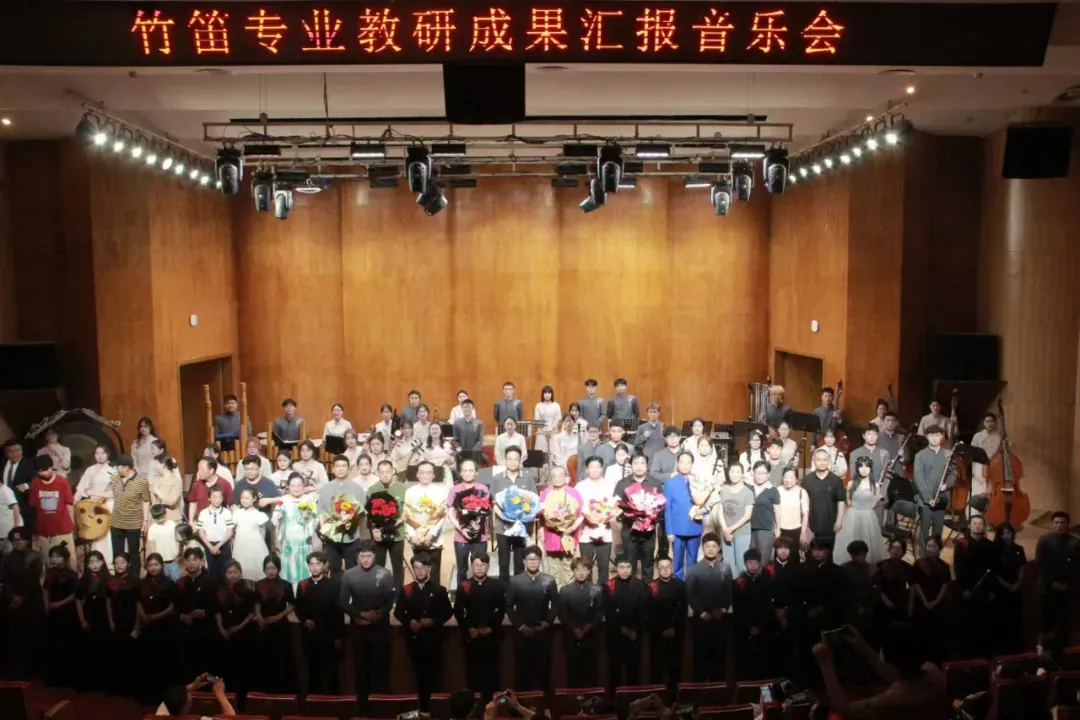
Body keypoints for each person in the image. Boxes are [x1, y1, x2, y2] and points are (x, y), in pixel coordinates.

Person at [813, 623, 950, 720]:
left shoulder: (892, 701)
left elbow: (844, 711)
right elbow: (898, 674)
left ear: (886, 655)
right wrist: (863, 649)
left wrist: (825, 663)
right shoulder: (933, 671)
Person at [339, 539, 397, 710]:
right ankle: (362, 708)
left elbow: (390, 601)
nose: (365, 559)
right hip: (358, 629)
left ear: (375, 556)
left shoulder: (385, 574)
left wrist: (377, 615)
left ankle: (381, 707)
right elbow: (343, 602)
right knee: (361, 670)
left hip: (380, 629)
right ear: (357, 556)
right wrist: (361, 615)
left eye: (369, 556)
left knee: (381, 669)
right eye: (362, 556)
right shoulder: (349, 575)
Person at [394, 552, 453, 711]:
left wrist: (433, 621)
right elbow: (398, 612)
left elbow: (447, 612)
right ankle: (419, 709)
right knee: (416, 677)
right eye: (416, 568)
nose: (419, 571)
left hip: (433, 640)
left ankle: (434, 710)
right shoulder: (407, 589)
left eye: (423, 568)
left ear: (429, 568)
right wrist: (409, 621)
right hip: (414, 640)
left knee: (434, 676)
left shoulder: (439, 590)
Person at [506, 545, 559, 691]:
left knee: (544, 672)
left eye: (536, 559)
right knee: (522, 673)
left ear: (540, 561)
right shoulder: (515, 581)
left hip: (543, 631)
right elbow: (508, 606)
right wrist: (521, 626)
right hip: (522, 633)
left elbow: (556, 603)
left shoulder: (548, 580)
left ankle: (545, 702)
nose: (533, 562)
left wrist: (547, 622)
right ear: (524, 561)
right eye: (529, 559)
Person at [453, 553, 506, 700]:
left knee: (492, 673)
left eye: (483, 565)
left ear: (488, 566)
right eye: (477, 565)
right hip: (472, 638)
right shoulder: (464, 586)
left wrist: (491, 628)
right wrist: (469, 629)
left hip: (492, 636)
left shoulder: (497, 585)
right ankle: (473, 706)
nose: (480, 568)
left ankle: (493, 706)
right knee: (473, 674)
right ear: (471, 566)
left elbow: (501, 610)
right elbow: (458, 611)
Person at [295, 551, 344, 695]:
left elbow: (338, 612)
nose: (315, 567)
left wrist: (339, 637)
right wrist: (304, 620)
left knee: (331, 672)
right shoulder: (302, 585)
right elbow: (298, 608)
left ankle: (334, 701)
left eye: (318, 564)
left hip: (328, 635)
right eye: (311, 564)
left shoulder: (334, 585)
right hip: (309, 636)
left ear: (325, 565)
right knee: (312, 671)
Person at [138, 553, 184, 704]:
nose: (153, 568)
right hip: (147, 629)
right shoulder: (142, 583)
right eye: (150, 565)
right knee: (149, 662)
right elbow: (137, 602)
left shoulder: (169, 584)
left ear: (162, 566)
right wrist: (143, 616)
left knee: (164, 661)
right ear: (146, 567)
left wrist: (154, 617)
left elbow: (172, 607)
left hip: (165, 628)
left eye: (156, 565)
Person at [686, 533, 733, 682]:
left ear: (718, 548)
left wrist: (723, 609)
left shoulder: (725, 568)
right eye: (707, 546)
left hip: (720, 620)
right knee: (699, 660)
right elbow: (690, 594)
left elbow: (729, 591)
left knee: (719, 660)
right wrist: (701, 613)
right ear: (703, 548)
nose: (711, 549)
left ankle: (718, 691)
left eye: (714, 546)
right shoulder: (694, 569)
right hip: (701, 621)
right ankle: (698, 692)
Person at [1035, 510, 1079, 662]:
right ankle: (1045, 655)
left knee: (1064, 623)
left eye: (1062, 522)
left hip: (1067, 589)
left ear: (1068, 524)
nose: (1059, 525)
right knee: (1046, 622)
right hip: (1047, 589)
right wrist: (1052, 583)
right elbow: (1040, 564)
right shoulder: (1044, 540)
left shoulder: (1075, 542)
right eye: (1056, 523)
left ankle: (1062, 654)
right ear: (1052, 524)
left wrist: (1067, 584)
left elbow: (1077, 568)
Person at [491, 446, 538, 579]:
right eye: (509, 459)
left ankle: (519, 589)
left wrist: (526, 520)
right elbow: (493, 503)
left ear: (520, 460)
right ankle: (504, 591)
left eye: (515, 459)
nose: (512, 462)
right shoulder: (496, 478)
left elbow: (533, 501)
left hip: (521, 528)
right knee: (503, 563)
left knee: (519, 563)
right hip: (502, 527)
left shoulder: (528, 477)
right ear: (505, 460)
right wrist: (504, 516)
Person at [615, 453, 663, 580]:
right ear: (631, 465)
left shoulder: (655, 483)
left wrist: (650, 514)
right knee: (630, 563)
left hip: (649, 530)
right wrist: (631, 512)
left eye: (642, 463)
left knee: (648, 563)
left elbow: (661, 506)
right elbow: (616, 505)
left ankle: (647, 589)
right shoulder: (622, 484)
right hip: (629, 529)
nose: (639, 466)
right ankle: (631, 589)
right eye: (635, 463)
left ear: (647, 466)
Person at [604, 554, 649, 689]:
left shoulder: (640, 585)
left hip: (635, 634)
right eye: (621, 567)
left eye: (628, 567)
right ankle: (614, 698)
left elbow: (644, 609)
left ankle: (633, 698)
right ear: (616, 568)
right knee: (615, 670)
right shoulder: (609, 585)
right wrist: (622, 629)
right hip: (615, 634)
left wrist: (634, 630)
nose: (625, 570)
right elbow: (608, 611)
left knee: (633, 671)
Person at [317, 454, 367, 574]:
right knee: (334, 569)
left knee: (352, 570)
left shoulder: (357, 488)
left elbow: (361, 513)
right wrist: (323, 530)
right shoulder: (326, 488)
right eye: (338, 466)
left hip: (351, 536)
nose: (341, 469)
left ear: (349, 469)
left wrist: (350, 520)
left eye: (344, 466)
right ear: (333, 469)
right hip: (331, 537)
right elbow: (321, 511)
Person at [559, 557, 604, 688]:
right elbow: (562, 612)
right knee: (573, 673)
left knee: (591, 673)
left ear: (589, 571)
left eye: (584, 569)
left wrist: (588, 626)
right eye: (577, 569)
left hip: (591, 636)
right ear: (573, 571)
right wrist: (574, 628)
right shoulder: (565, 590)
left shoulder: (597, 589)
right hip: (571, 637)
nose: (581, 573)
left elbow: (600, 610)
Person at [214, 560, 257, 696]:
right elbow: (217, 612)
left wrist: (239, 627)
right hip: (225, 634)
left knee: (243, 667)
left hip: (244, 633)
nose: (232, 575)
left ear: (240, 573)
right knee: (227, 666)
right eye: (229, 572)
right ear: (225, 575)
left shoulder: (248, 592)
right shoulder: (220, 592)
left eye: (235, 572)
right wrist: (222, 629)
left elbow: (252, 613)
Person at [833, 457, 887, 565]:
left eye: (867, 466)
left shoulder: (875, 485)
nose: (864, 469)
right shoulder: (851, 483)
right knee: (850, 538)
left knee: (867, 539)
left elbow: (875, 502)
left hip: (868, 516)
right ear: (857, 468)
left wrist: (866, 507)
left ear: (870, 468)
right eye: (861, 466)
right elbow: (848, 500)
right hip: (852, 515)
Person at [647, 555, 687, 698]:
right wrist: (660, 631)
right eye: (662, 567)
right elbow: (648, 612)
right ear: (657, 569)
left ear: (672, 568)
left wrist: (674, 629)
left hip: (675, 634)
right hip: (657, 635)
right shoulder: (650, 586)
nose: (665, 570)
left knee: (675, 670)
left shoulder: (681, 586)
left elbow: (683, 611)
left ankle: (675, 701)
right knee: (655, 671)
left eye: (668, 567)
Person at [176, 547, 220, 677]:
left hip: (206, 630)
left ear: (201, 561)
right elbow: (175, 606)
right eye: (188, 560)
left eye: (194, 560)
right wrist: (181, 616)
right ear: (184, 562)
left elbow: (217, 606)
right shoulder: (180, 583)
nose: (191, 563)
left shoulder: (210, 581)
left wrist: (204, 612)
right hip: (186, 631)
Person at [576, 456, 620, 583]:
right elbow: (577, 507)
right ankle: (587, 591)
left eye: (597, 467)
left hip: (604, 530)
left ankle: (603, 592)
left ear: (602, 468)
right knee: (586, 565)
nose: (594, 470)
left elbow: (614, 505)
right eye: (591, 467)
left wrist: (608, 514)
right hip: (586, 531)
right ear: (586, 469)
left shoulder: (610, 485)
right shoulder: (580, 486)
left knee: (603, 566)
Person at [447, 458, 490, 586]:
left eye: (471, 470)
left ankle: (480, 594)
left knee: (480, 569)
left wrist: (481, 528)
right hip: (461, 537)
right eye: (465, 470)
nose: (468, 473)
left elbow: (486, 512)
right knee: (462, 570)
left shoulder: (483, 489)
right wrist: (462, 529)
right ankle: (462, 595)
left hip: (480, 537)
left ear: (476, 472)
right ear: (460, 473)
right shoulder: (455, 490)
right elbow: (450, 514)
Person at [913, 425, 956, 551]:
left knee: (938, 532)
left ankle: (936, 558)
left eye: (937, 435)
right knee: (924, 530)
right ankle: (923, 558)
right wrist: (927, 498)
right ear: (927, 437)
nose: (935, 438)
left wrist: (946, 485)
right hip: (925, 500)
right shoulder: (920, 455)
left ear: (942, 437)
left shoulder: (948, 454)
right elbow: (919, 478)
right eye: (931, 435)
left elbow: (953, 474)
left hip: (941, 498)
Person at [734, 548, 775, 680]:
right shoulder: (738, 582)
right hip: (744, 630)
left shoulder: (767, 581)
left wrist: (759, 626)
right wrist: (748, 627)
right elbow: (737, 608)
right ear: (745, 564)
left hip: (763, 628)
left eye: (755, 563)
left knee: (764, 664)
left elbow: (769, 606)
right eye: (749, 563)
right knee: (745, 666)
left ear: (760, 564)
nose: (752, 566)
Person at [405, 461, 449, 581]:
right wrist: (412, 535)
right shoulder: (410, 492)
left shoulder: (441, 491)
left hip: (434, 539)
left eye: (429, 473)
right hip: (416, 540)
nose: (425, 475)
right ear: (417, 474)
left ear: (434, 475)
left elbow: (442, 516)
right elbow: (407, 516)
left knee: (434, 574)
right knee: (420, 573)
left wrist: (431, 534)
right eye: (422, 472)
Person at [29, 454, 75, 568]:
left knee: (68, 563)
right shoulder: (35, 483)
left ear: (51, 467)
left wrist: (73, 524)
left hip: (63, 529)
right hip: (43, 532)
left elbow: (69, 504)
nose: (43, 473)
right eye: (40, 471)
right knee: (48, 563)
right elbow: (33, 506)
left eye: (45, 470)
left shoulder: (62, 481)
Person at [540, 466, 584, 587]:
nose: (557, 478)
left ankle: (568, 594)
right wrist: (540, 531)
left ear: (566, 477)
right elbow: (540, 514)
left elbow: (581, 515)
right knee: (553, 568)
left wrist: (571, 528)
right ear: (551, 478)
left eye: (560, 475)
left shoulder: (574, 493)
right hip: (551, 534)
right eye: (554, 475)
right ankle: (556, 594)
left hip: (569, 534)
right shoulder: (545, 493)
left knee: (569, 567)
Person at [273, 472, 318, 588]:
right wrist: (278, 516)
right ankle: (289, 594)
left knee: (304, 566)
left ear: (303, 486)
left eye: (299, 485)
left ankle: (305, 593)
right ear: (288, 486)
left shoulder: (309, 500)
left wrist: (308, 518)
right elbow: (275, 519)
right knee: (289, 567)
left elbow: (315, 519)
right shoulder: (283, 500)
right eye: (293, 485)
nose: (296, 488)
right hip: (288, 540)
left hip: (304, 540)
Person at [43, 542, 79, 687]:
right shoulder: (49, 572)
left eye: (57, 557)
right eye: (52, 557)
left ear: (64, 558)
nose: (54, 559)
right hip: (52, 612)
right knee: (53, 644)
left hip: (67, 611)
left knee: (66, 644)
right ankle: (53, 676)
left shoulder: (72, 574)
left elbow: (75, 594)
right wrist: (47, 604)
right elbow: (46, 589)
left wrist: (59, 604)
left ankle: (66, 677)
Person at [665, 451, 704, 580]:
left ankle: (691, 586)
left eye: (688, 462)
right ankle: (679, 585)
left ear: (692, 464)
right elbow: (667, 509)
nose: (685, 465)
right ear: (677, 464)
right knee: (677, 562)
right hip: (677, 529)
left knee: (693, 561)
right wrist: (669, 531)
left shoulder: (699, 481)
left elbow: (708, 503)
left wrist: (703, 511)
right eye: (682, 462)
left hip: (694, 526)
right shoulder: (670, 483)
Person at [75, 550, 111, 692]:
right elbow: (78, 601)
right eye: (91, 562)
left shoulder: (109, 579)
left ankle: (104, 681)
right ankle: (90, 682)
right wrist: (82, 620)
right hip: (89, 615)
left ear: (102, 562)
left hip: (104, 615)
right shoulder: (83, 580)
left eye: (97, 561)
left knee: (104, 649)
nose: (94, 565)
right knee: (88, 649)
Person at [912, 535, 951, 665]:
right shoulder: (918, 563)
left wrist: (936, 601)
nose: (930, 549)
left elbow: (945, 585)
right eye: (928, 546)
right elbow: (915, 583)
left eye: (933, 546)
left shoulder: (944, 566)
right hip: (921, 603)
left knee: (936, 634)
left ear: (939, 548)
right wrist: (924, 601)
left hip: (938, 605)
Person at [368, 459, 407, 588]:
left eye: (388, 472)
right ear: (377, 473)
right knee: (378, 566)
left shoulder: (402, 488)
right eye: (382, 472)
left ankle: (398, 594)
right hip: (379, 534)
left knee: (397, 566)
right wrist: (374, 530)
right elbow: (369, 514)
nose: (385, 475)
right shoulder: (373, 489)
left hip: (397, 534)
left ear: (393, 472)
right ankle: (379, 592)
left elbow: (406, 512)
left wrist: (394, 524)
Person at [110, 454, 151, 576]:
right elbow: (112, 493)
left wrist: (145, 520)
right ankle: (118, 578)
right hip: (116, 522)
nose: (117, 469)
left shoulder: (141, 481)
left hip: (133, 523)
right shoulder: (115, 478)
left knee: (133, 553)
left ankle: (134, 578)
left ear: (126, 467)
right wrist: (95, 493)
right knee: (117, 553)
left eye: (118, 467)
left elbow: (145, 500)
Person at [106, 552, 139, 696]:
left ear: (128, 564)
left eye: (122, 562)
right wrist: (110, 621)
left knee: (130, 655)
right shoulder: (111, 581)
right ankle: (117, 686)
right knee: (115, 654)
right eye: (116, 563)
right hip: (116, 620)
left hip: (130, 620)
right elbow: (108, 602)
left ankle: (130, 687)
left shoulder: (135, 580)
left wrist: (137, 626)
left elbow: (138, 604)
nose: (119, 566)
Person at [715, 463, 754, 576]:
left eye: (738, 472)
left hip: (742, 533)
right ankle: (729, 585)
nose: (735, 474)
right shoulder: (724, 490)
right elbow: (720, 511)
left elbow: (748, 515)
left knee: (741, 562)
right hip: (725, 532)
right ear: (728, 473)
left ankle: (741, 585)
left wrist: (731, 529)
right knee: (728, 563)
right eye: (732, 471)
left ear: (742, 474)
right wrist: (725, 530)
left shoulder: (748, 492)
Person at [803, 448, 845, 553]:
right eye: (819, 460)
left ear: (829, 461)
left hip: (830, 524)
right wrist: (804, 524)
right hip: (812, 523)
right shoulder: (807, 479)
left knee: (829, 555)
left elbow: (841, 501)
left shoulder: (836, 480)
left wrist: (839, 521)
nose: (822, 462)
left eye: (825, 460)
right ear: (814, 461)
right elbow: (803, 502)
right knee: (811, 555)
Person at [848, 424, 891, 524]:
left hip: (879, 499)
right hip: (861, 497)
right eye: (869, 434)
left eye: (874, 434)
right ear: (863, 436)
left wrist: (879, 495)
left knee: (876, 527)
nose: (872, 437)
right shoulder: (855, 454)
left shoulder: (884, 453)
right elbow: (854, 476)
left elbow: (887, 476)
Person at [875, 539, 913, 645]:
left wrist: (910, 606)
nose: (895, 550)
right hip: (883, 603)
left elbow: (912, 587)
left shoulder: (908, 568)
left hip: (900, 604)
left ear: (903, 552)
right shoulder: (881, 564)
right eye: (893, 548)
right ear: (889, 549)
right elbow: (876, 585)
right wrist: (886, 601)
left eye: (898, 548)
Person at [232, 488, 270, 582]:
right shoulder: (237, 513)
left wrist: (260, 545)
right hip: (240, 545)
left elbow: (263, 531)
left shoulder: (259, 515)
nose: (244, 500)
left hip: (255, 546)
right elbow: (233, 530)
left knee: (255, 570)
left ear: (254, 499)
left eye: (247, 498)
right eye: (242, 498)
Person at [195, 486, 234, 576]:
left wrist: (218, 546)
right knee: (212, 572)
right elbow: (201, 532)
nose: (217, 500)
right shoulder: (203, 513)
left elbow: (230, 532)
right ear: (209, 498)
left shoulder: (227, 512)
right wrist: (211, 547)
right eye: (214, 497)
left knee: (226, 571)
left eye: (220, 497)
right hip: (209, 545)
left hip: (224, 545)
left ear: (223, 498)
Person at [158, 675, 235, 718]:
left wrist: (193, 685)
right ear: (186, 707)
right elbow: (231, 718)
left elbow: (171, 697)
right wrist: (220, 694)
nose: (189, 694)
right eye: (188, 695)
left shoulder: (161, 714)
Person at [749, 461, 781, 561]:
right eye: (757, 473)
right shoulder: (749, 488)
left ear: (768, 474)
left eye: (763, 473)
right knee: (751, 559)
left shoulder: (773, 490)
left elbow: (777, 512)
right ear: (753, 473)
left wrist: (778, 529)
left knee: (763, 559)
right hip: (749, 529)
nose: (759, 476)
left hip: (766, 529)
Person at [3, 439, 37, 534]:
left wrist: (26, 485)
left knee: (24, 535)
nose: (15, 453)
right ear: (6, 452)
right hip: (5, 509)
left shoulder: (30, 463)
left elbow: (37, 481)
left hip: (24, 507)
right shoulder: (2, 464)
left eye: (18, 450)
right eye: (11, 451)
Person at [969, 413, 1001, 511]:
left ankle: (993, 511)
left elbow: (1002, 453)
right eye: (987, 421)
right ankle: (976, 513)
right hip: (980, 465)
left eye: (992, 421)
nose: (990, 423)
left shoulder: (999, 436)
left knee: (994, 489)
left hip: (995, 466)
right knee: (980, 489)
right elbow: (972, 452)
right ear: (983, 423)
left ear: (995, 422)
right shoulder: (977, 436)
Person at [187, 457, 233, 522]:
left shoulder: (225, 484)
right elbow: (193, 502)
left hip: (220, 522)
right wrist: (191, 521)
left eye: (202, 469)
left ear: (211, 470)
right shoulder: (197, 484)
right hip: (201, 522)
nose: (199, 472)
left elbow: (231, 505)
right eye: (198, 469)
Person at [776, 467, 809, 554]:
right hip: (780, 531)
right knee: (779, 556)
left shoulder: (802, 492)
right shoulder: (777, 491)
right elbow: (774, 512)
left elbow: (805, 514)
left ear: (796, 479)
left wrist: (803, 533)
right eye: (786, 477)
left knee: (794, 557)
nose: (788, 480)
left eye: (791, 477)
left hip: (795, 531)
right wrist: (776, 530)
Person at [146, 504, 181, 580]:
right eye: (157, 518)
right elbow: (152, 544)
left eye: (161, 517)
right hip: (160, 561)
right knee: (161, 579)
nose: (160, 520)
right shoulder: (152, 528)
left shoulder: (172, 525)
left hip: (172, 559)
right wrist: (154, 557)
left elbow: (177, 540)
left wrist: (177, 552)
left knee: (175, 579)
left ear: (165, 514)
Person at [150, 454, 184, 522]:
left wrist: (157, 492)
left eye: (157, 464)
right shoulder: (157, 480)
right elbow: (154, 502)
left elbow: (171, 501)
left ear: (163, 465)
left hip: (171, 519)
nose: (156, 466)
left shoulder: (176, 481)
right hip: (157, 518)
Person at [534, 385, 563, 456]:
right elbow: (537, 419)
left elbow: (558, 418)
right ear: (542, 394)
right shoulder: (538, 405)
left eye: (549, 393)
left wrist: (551, 429)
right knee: (541, 452)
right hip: (541, 432)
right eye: (545, 393)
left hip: (553, 431)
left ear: (551, 394)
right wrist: (544, 430)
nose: (547, 395)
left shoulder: (556, 405)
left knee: (553, 451)